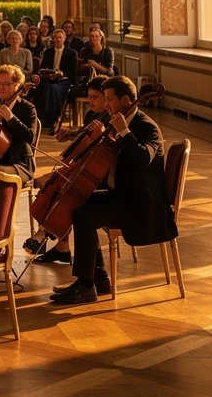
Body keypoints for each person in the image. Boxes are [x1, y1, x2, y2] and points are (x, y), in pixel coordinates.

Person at [51, 76, 177, 305]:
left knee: (84, 215)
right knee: (79, 204)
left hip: (140, 204)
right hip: (123, 196)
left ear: (126, 100)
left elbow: (144, 158)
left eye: (109, 99)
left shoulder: (146, 126)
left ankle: (86, 284)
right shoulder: (114, 123)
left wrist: (124, 132)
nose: (106, 104)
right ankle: (97, 278)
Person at [24, 75, 109, 263]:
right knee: (49, 187)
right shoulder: (92, 115)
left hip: (99, 175)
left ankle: (43, 234)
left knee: (62, 194)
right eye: (90, 96)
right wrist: (70, 135)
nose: (91, 101)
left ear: (107, 98)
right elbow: (86, 138)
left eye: (96, 97)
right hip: (81, 171)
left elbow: (101, 148)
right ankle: (62, 248)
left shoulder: (112, 120)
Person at [0, 65, 38, 184]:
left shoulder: (27, 108)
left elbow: (31, 137)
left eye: (6, 84)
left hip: (19, 164)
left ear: (18, 85)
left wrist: (11, 118)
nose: (1, 88)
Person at [32, 27, 79, 129]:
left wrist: (61, 74)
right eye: (55, 37)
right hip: (49, 80)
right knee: (44, 88)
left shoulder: (72, 53)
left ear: (64, 38)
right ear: (53, 39)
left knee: (50, 89)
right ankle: (46, 118)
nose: (57, 39)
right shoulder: (47, 52)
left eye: (60, 37)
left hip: (64, 82)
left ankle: (49, 118)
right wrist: (48, 74)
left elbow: (73, 73)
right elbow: (42, 69)